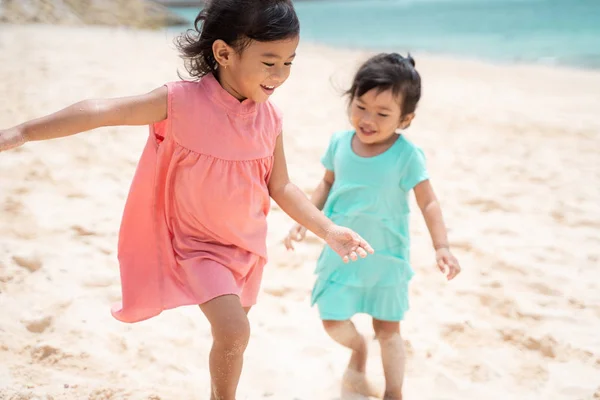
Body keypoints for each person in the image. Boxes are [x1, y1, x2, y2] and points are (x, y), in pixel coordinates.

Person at [0, 1, 374, 398]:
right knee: (233, 330)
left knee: (232, 341)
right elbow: (102, 112)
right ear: (224, 53)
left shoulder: (270, 119)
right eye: (269, 62)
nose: (279, 75)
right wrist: (23, 131)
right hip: (196, 246)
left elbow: (281, 186)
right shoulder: (179, 102)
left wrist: (328, 230)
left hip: (246, 247)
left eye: (288, 63)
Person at [284, 52, 461, 399]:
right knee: (332, 320)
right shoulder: (338, 143)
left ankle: (393, 392)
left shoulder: (406, 154)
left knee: (388, 330)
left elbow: (429, 201)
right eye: (360, 106)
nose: (367, 119)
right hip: (342, 255)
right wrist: (304, 220)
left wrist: (442, 245)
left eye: (382, 114)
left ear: (405, 119)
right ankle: (358, 351)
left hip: (386, 258)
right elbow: (326, 184)